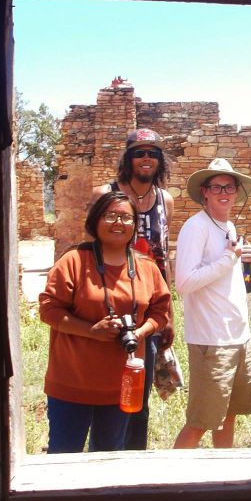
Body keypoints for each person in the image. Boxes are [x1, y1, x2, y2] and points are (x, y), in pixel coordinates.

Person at [39, 190, 170, 454]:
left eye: (126, 218)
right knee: (63, 459)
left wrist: (141, 332)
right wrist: (91, 331)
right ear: (96, 220)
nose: (118, 223)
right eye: (110, 216)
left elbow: (161, 311)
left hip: (123, 385)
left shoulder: (146, 266)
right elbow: (49, 310)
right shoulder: (74, 261)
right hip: (72, 384)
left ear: (135, 225)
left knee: (110, 459)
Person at [93, 128, 174, 449]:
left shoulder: (165, 200)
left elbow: (164, 257)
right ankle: (101, 462)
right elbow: (90, 251)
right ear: (128, 158)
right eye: (139, 152)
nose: (146, 158)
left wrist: (168, 314)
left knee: (139, 399)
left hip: (149, 313)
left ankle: (133, 468)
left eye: (153, 153)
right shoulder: (106, 194)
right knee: (105, 393)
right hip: (111, 307)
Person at [173, 157, 251, 449]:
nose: (224, 192)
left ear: (237, 192)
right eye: (217, 187)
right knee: (201, 421)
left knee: (229, 415)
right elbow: (184, 283)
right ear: (205, 192)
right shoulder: (195, 227)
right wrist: (229, 258)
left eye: (230, 187)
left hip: (237, 337)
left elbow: (226, 276)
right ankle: (167, 486)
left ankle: (224, 482)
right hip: (211, 340)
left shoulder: (229, 226)